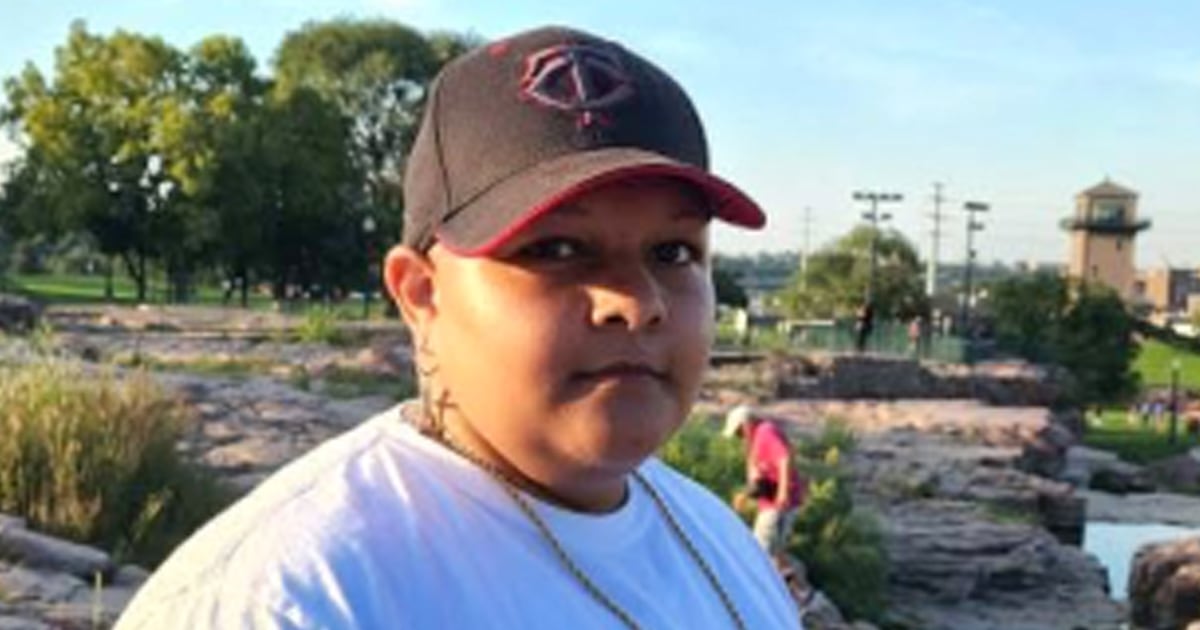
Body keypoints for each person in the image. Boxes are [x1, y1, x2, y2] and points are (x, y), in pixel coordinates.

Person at [116, 25, 801, 629]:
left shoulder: (721, 543)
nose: (637, 301)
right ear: (421, 295)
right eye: (558, 249)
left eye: (673, 252)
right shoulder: (294, 598)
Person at [723, 405, 805, 567]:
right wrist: (745, 495)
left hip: (778, 502)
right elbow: (759, 479)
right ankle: (793, 577)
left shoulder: (766, 432)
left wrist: (783, 492)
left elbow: (784, 458)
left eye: (739, 432)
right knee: (774, 551)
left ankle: (779, 577)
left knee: (760, 550)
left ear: (746, 424)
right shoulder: (756, 440)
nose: (740, 437)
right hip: (770, 501)